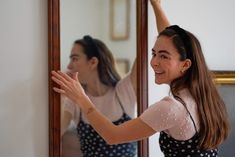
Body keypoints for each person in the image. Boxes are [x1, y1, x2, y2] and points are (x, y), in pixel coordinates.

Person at [52, 0, 230, 156]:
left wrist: (81, 98)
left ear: (186, 64)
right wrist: (156, 5)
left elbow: (113, 136)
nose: (153, 62)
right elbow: (176, 43)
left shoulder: (170, 108)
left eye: (163, 56)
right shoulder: (204, 95)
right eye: (154, 54)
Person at [60, 35, 138, 157]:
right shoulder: (74, 99)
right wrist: (62, 97)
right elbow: (56, 133)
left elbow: (147, 51)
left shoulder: (124, 90)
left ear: (93, 62)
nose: (69, 66)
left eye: (74, 59)